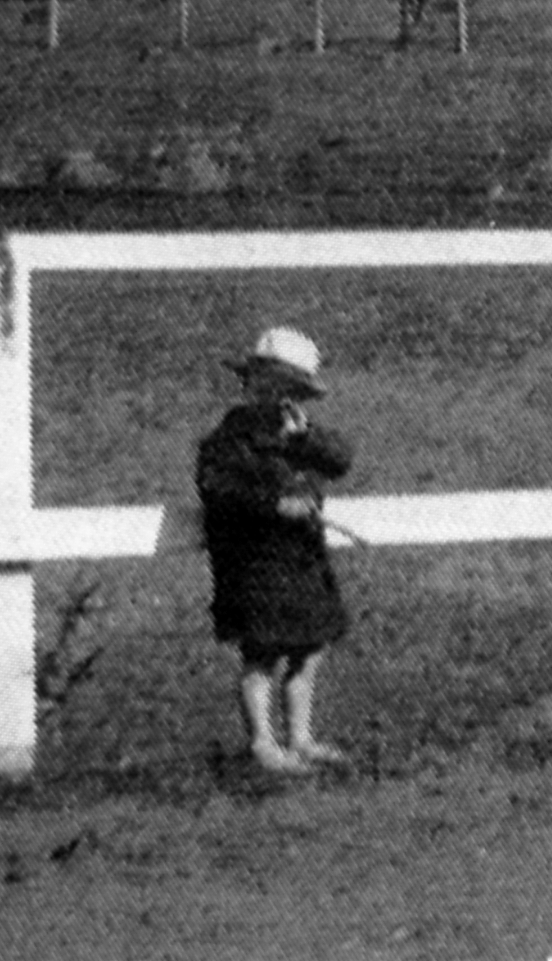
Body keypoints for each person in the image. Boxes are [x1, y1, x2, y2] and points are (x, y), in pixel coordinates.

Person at [196, 325, 357, 773]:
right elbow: (219, 488)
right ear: (252, 386)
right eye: (268, 387)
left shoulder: (299, 432)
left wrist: (304, 440)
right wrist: (272, 504)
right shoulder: (234, 436)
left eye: (291, 391)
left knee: (310, 648)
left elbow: (340, 459)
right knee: (262, 652)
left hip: (302, 558)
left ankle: (301, 737)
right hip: (257, 561)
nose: (279, 398)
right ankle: (263, 742)